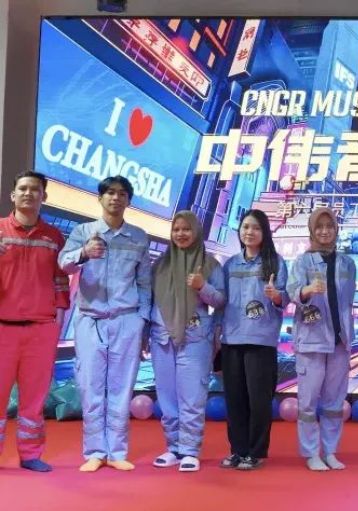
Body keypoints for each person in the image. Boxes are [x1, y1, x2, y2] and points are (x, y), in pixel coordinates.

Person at [58, 176, 151, 472]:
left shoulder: (139, 237)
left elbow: (144, 282)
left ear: (128, 201)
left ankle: (117, 451)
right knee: (91, 386)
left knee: (121, 387)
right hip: (90, 319)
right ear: (100, 198)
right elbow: (63, 264)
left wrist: (143, 321)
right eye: (110, 193)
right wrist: (84, 253)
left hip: (127, 319)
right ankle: (95, 451)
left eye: (122, 194)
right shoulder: (83, 232)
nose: (115, 198)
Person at [0, 171, 70, 472]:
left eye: (35, 189)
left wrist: (58, 319)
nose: (29, 193)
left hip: (42, 329)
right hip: (3, 328)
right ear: (13, 195)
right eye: (23, 188)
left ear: (44, 197)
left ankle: (30, 454)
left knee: (34, 398)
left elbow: (61, 280)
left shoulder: (54, 237)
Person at [150, 211, 225, 472]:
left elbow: (221, 301)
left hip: (195, 337)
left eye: (186, 229)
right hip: (161, 337)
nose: (180, 234)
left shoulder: (210, 264)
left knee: (192, 396)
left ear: (196, 231)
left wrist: (203, 287)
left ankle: (190, 450)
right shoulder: (160, 265)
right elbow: (148, 300)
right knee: (167, 396)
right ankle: (173, 447)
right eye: (176, 229)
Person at [218, 209, 288, 471]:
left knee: (259, 400)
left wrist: (275, 296)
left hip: (261, 339)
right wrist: (216, 334)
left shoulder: (275, 262)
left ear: (264, 232)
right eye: (246, 227)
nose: (250, 232)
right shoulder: (230, 265)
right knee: (235, 399)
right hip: (232, 338)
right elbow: (221, 301)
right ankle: (238, 450)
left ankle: (255, 452)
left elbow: (285, 299)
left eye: (256, 228)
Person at [287, 208, 356, 471]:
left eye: (329, 226)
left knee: (334, 402)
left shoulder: (347, 263)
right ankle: (310, 452)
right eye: (319, 226)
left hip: (340, 341)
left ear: (337, 229)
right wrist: (306, 291)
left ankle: (330, 451)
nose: (325, 231)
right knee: (308, 402)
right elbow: (292, 292)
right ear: (312, 230)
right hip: (311, 340)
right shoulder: (302, 262)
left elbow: (348, 300)